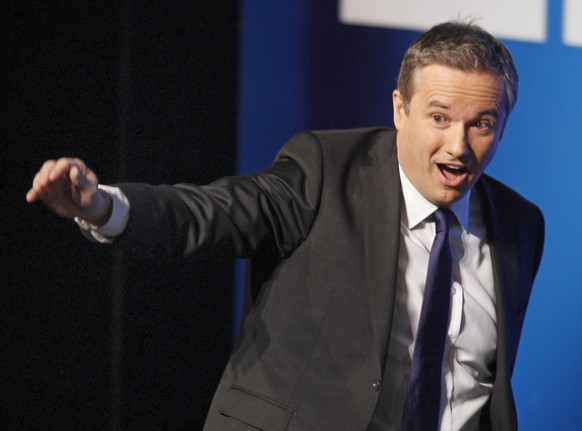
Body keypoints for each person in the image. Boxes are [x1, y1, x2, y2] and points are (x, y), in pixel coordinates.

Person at [27, 21, 544, 431]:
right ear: (400, 110)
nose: (459, 146)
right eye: (439, 117)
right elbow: (211, 214)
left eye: (481, 123)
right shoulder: (326, 170)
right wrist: (102, 208)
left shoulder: (520, 225)